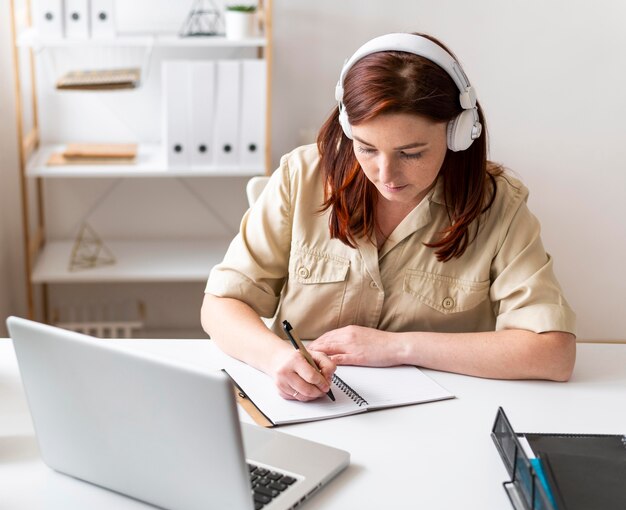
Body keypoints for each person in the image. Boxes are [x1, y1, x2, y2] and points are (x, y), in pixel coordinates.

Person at [201, 32, 576, 402]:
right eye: (366, 148)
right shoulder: (301, 176)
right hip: (308, 410)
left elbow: (553, 354)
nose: (386, 174)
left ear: (458, 134)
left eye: (411, 153)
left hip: (441, 422)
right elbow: (220, 306)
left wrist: (398, 348)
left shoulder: (498, 203)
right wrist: (276, 358)